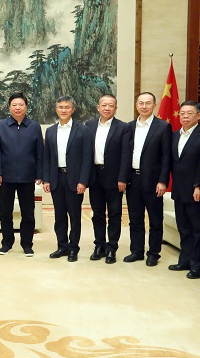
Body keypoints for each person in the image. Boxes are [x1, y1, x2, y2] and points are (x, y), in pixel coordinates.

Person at [121, 91, 172, 266]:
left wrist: (163, 181)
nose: (144, 106)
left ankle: (154, 253)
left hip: (153, 181)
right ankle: (136, 251)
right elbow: (125, 155)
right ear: (136, 106)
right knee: (135, 219)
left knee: (155, 220)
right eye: (141, 103)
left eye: (148, 103)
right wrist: (123, 178)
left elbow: (166, 157)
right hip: (133, 180)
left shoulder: (163, 127)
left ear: (154, 105)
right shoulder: (129, 127)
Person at [0, 92, 44, 257]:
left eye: (21, 105)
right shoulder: (1, 126)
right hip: (5, 177)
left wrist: (39, 174)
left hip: (27, 177)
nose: (17, 108)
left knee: (28, 213)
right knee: (5, 213)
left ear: (26, 107)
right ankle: (7, 243)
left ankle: (27, 244)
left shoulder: (34, 126)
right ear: (9, 107)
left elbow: (39, 152)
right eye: (14, 105)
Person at [42, 96, 93, 261]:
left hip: (75, 180)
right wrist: (46, 179)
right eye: (60, 107)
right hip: (56, 178)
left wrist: (83, 181)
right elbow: (47, 157)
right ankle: (62, 246)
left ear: (73, 110)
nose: (63, 110)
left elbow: (87, 158)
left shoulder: (83, 130)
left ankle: (73, 249)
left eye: (67, 107)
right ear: (56, 110)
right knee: (59, 216)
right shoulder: (50, 131)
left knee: (75, 216)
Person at [85, 94, 128, 264]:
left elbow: (126, 155)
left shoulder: (123, 127)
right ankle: (99, 245)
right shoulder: (89, 125)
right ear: (98, 107)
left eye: (111, 105)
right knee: (97, 214)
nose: (107, 108)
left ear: (115, 108)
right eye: (104, 105)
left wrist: (122, 178)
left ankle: (112, 248)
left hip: (115, 178)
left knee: (115, 214)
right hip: (95, 176)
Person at [168, 101, 200, 279]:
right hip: (178, 190)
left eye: (190, 113)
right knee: (183, 228)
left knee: (197, 230)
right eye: (182, 113)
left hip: (195, 191)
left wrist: (198, 185)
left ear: (198, 116)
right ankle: (184, 260)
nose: (185, 116)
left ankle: (197, 265)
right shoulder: (175, 135)